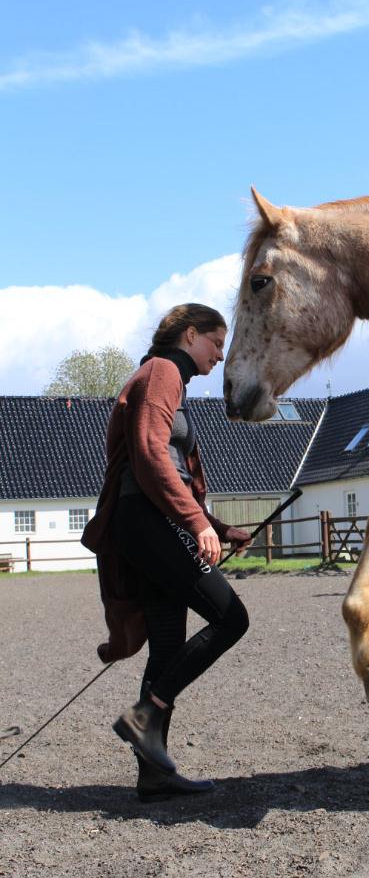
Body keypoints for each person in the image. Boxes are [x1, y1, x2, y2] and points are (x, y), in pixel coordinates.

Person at [82, 303, 251, 802]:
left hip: (151, 521)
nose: (220, 355)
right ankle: (145, 715)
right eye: (216, 343)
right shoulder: (161, 372)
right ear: (189, 335)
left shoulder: (168, 379)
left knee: (168, 645)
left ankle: (153, 775)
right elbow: (151, 453)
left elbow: (171, 471)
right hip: (147, 521)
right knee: (231, 617)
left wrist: (217, 526)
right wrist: (196, 523)